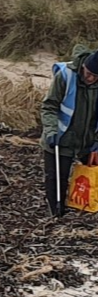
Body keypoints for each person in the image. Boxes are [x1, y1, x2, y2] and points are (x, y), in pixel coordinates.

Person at [40, 45, 98, 218]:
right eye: (89, 73)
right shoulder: (65, 76)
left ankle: (88, 206)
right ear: (83, 66)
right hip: (60, 138)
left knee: (93, 176)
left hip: (88, 140)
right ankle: (55, 212)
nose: (90, 78)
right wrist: (51, 131)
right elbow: (49, 106)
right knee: (56, 178)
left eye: (96, 77)